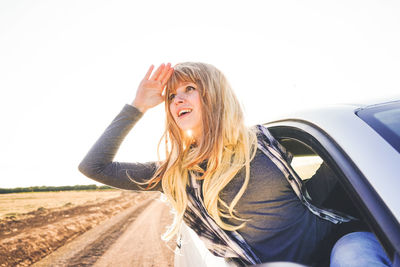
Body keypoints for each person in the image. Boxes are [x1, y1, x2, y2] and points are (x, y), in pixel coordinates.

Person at [78, 62, 391, 266]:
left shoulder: (264, 140)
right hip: (270, 264)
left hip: (336, 239)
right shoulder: (174, 173)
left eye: (190, 89)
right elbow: (94, 166)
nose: (178, 100)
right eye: (172, 95)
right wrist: (137, 106)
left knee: (357, 258)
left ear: (214, 95)